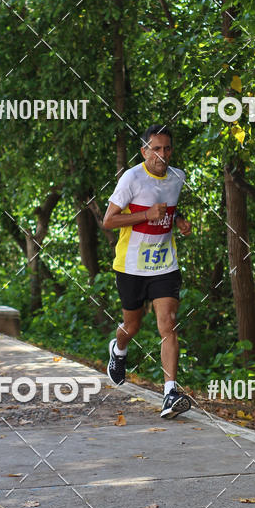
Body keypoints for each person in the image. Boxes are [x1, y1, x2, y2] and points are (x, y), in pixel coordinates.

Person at [102, 125, 193, 418]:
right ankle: (118, 350)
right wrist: (145, 215)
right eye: (156, 149)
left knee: (168, 323)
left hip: (164, 264)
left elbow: (169, 207)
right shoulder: (132, 178)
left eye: (167, 149)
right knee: (133, 325)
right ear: (144, 151)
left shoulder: (178, 176)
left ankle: (170, 393)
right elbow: (108, 221)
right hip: (131, 266)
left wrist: (178, 220)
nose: (162, 155)